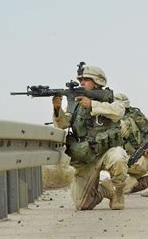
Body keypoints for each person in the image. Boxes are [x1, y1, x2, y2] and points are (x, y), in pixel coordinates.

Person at [52, 65, 128, 210]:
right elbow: (63, 123)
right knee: (82, 204)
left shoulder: (110, 99)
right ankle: (105, 190)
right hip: (86, 155)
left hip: (107, 151)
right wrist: (57, 109)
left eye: (86, 79)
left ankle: (118, 191)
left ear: (97, 82)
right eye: (80, 80)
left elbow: (119, 112)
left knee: (118, 157)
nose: (82, 82)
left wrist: (92, 104)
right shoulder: (77, 104)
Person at [113, 93, 148, 195]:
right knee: (123, 189)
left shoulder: (122, 122)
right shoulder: (136, 115)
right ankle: (144, 178)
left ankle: (146, 177)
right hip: (145, 159)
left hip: (136, 160)